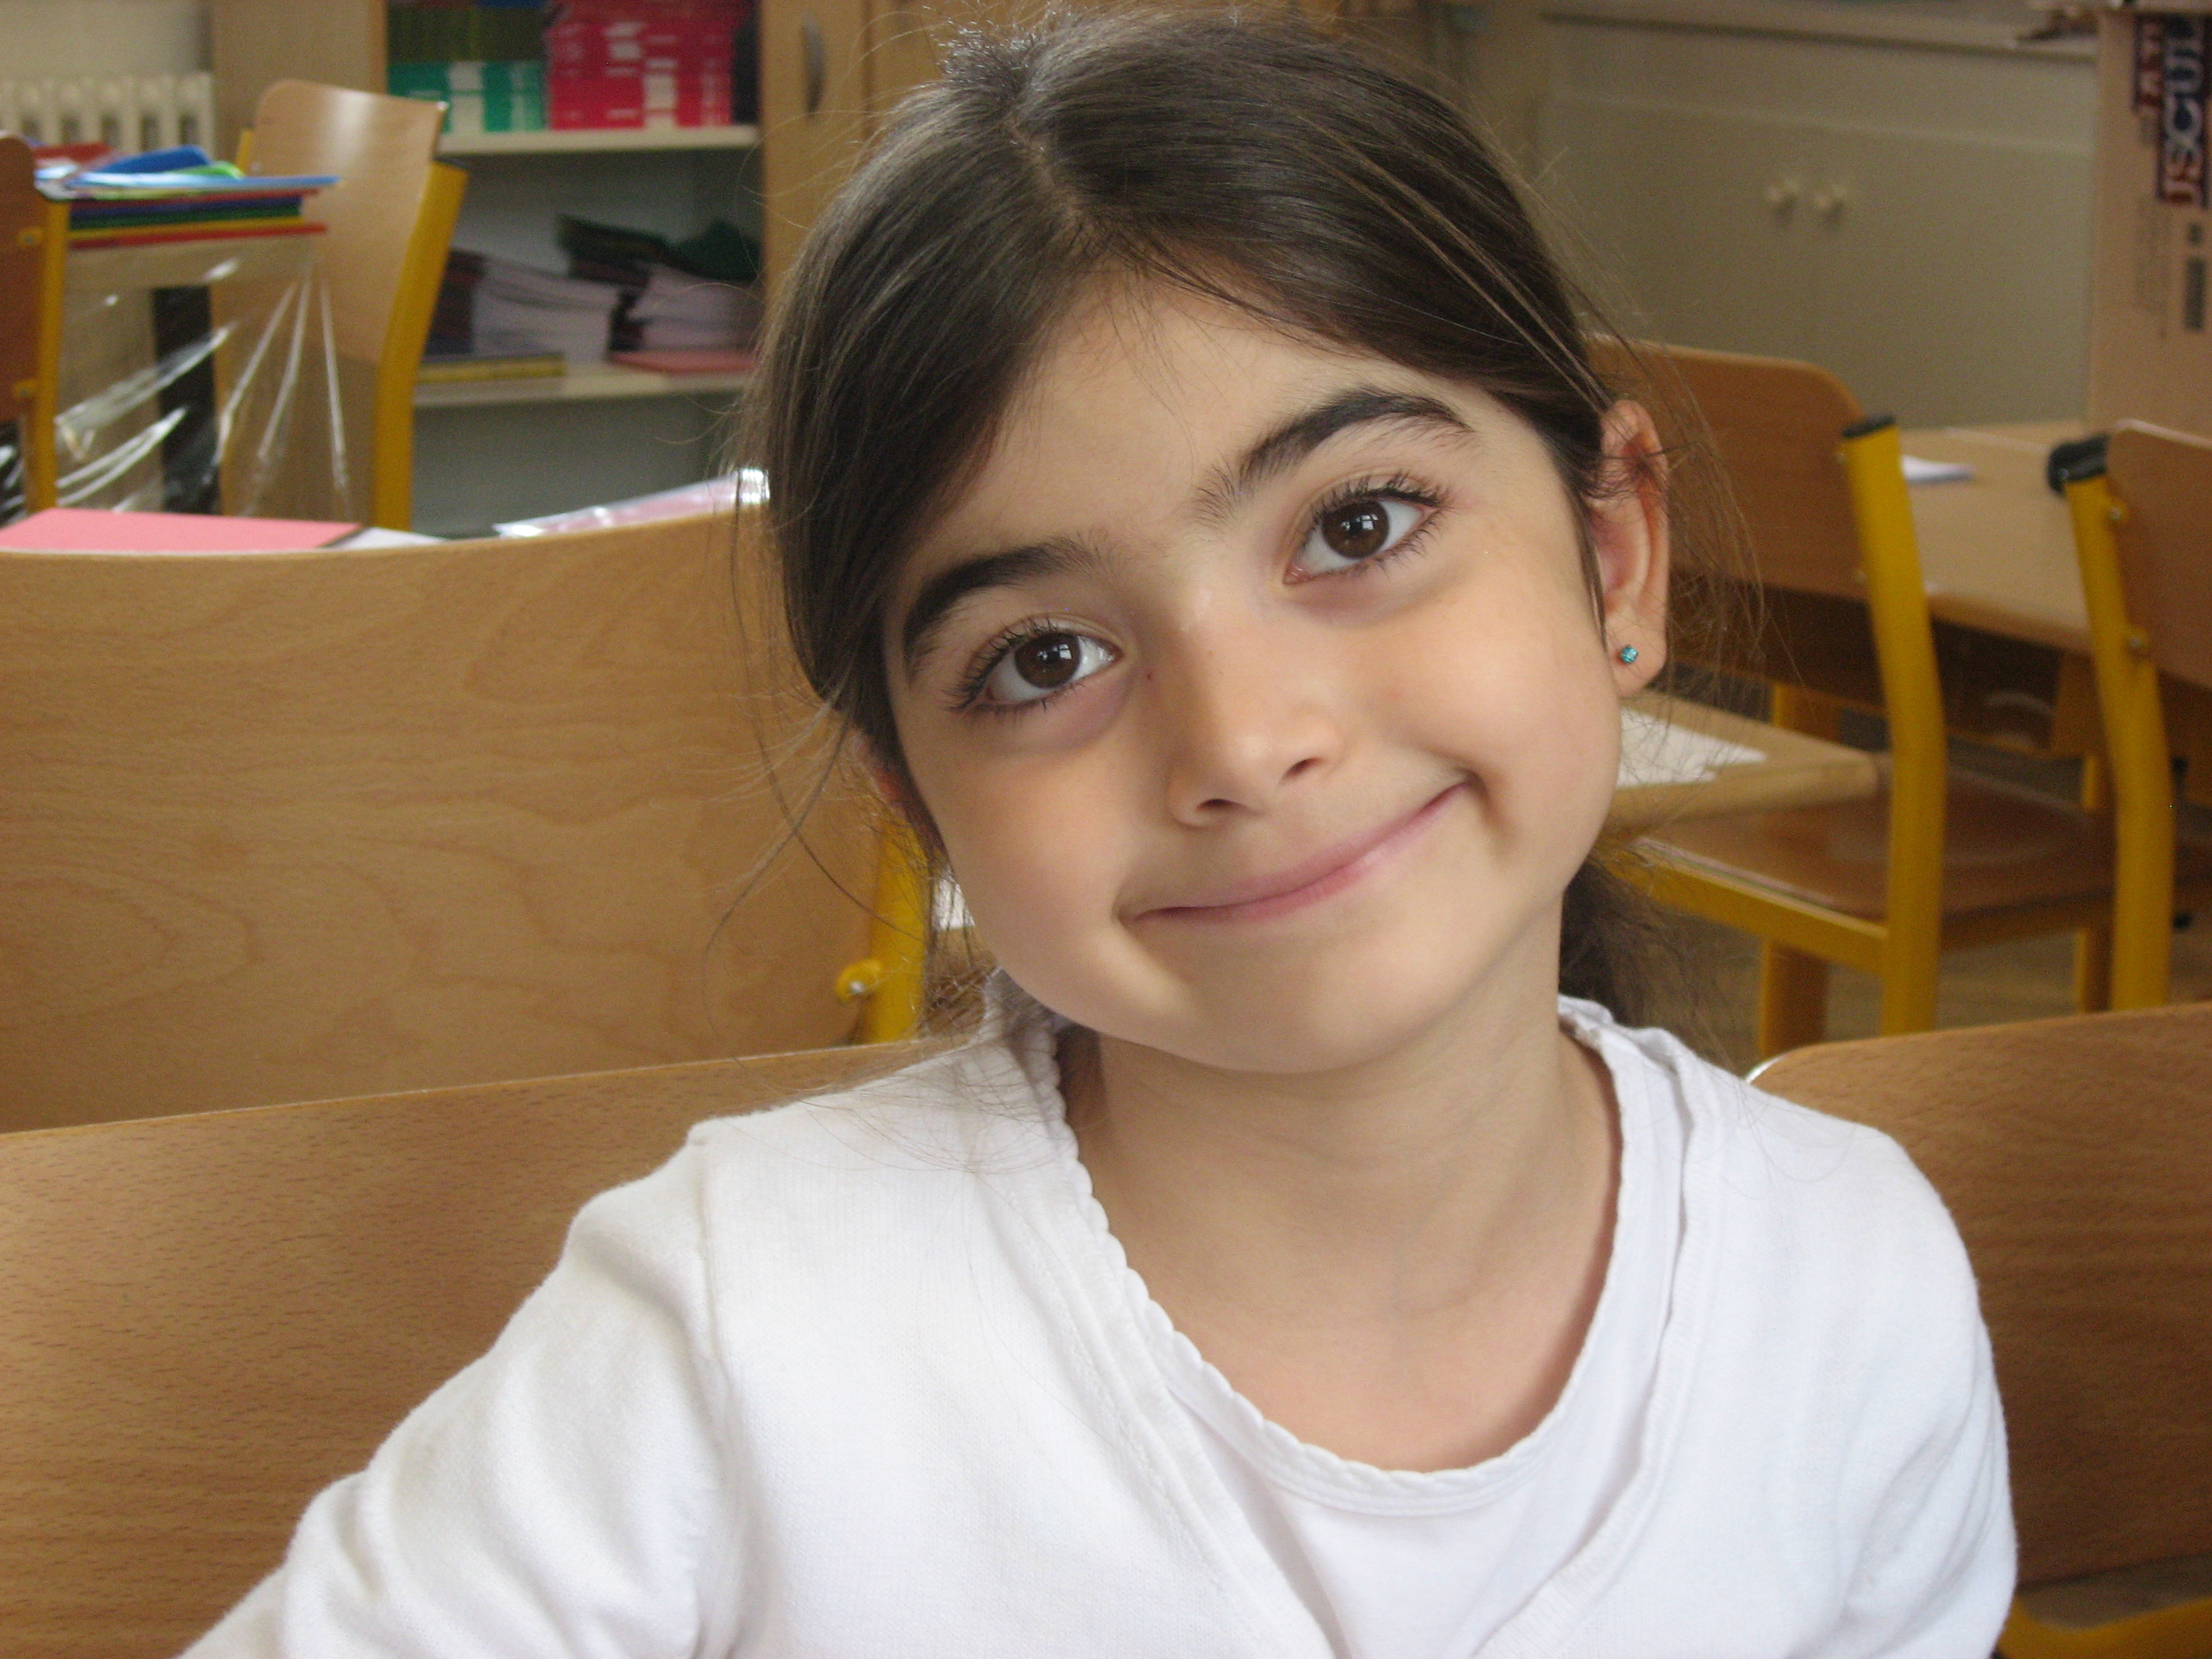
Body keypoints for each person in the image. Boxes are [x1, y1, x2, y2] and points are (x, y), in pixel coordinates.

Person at [185, 11, 2012, 1656]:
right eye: (1043, 657)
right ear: (915, 797)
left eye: (1358, 527)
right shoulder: (735, 1334)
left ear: (1613, 552)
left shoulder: (1846, 1288)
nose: (1244, 743)